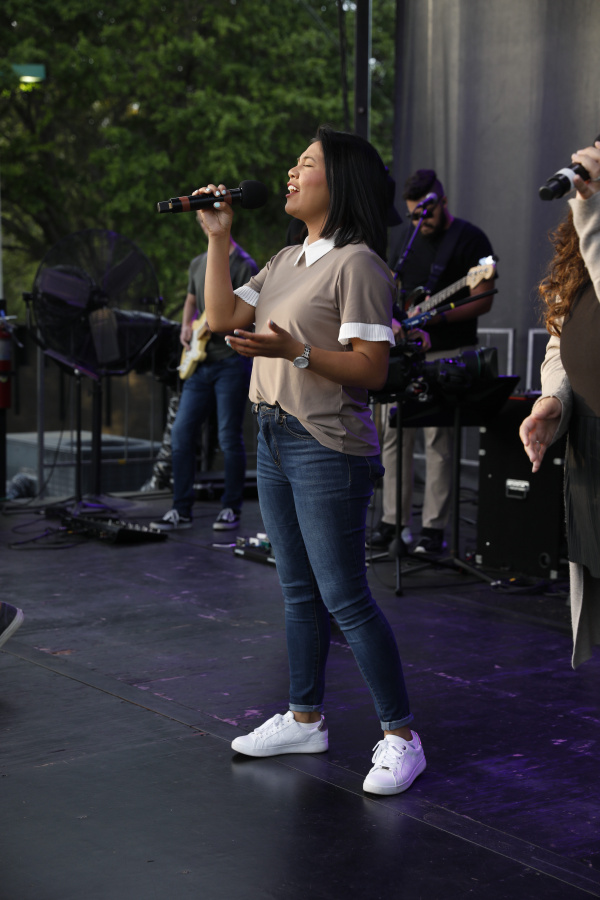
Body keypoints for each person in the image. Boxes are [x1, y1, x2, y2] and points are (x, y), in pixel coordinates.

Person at [197, 124, 426, 795]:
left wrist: (293, 351)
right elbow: (220, 318)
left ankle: (402, 738)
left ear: (341, 181)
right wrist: (217, 238)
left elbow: (372, 368)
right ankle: (305, 719)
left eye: (307, 164)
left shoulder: (359, 264)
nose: (292, 174)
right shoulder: (284, 259)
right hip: (273, 434)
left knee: (344, 596)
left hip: (325, 443)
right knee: (298, 591)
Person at [370, 169, 495, 555]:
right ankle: (393, 520)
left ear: (442, 201)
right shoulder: (405, 241)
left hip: (446, 351)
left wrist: (436, 318)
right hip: (404, 354)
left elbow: (483, 297)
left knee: (438, 439)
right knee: (394, 434)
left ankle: (433, 528)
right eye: (414, 215)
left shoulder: (470, 238)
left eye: (427, 212)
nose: (421, 222)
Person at [520, 140, 600, 668]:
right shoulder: (581, 245)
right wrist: (555, 400)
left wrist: (591, 212)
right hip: (590, 443)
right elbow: (560, 345)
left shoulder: (592, 228)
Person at [152, 215, 258, 532]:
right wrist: (187, 325)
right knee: (181, 434)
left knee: (228, 436)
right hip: (200, 363)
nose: (203, 223)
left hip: (231, 361)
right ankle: (180, 510)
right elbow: (190, 300)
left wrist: (218, 322)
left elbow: (244, 313)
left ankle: (231, 508)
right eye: (200, 219)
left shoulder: (244, 264)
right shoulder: (198, 263)